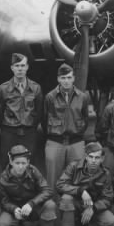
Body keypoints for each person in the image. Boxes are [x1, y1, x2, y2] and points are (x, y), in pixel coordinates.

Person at [56, 142, 114, 226]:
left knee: (111, 222)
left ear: (102, 159)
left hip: (93, 206)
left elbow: (108, 198)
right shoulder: (74, 166)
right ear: (85, 156)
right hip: (75, 203)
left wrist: (93, 208)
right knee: (66, 199)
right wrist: (80, 191)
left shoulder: (106, 173)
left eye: (97, 157)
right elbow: (60, 185)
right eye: (91, 157)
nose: (93, 161)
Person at [0, 145, 57, 226]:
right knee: (3, 224)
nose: (20, 166)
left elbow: (47, 190)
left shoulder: (34, 171)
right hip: (15, 210)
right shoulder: (3, 178)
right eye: (17, 163)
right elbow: (3, 202)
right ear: (11, 162)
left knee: (50, 205)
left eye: (23, 163)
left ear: (28, 162)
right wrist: (14, 209)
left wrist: (31, 203)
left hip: (32, 207)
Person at [42, 63, 89, 191]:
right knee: (53, 179)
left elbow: (85, 119)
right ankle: (52, 208)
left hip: (76, 142)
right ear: (58, 79)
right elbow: (44, 120)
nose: (66, 81)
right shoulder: (50, 97)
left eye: (69, 77)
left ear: (73, 78)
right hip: (55, 142)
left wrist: (77, 131)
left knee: (77, 177)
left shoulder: (83, 97)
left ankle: (73, 208)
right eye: (63, 78)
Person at [0, 53, 43, 167]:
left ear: (27, 67)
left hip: (28, 133)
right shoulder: (3, 88)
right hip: (9, 133)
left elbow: (39, 112)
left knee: (29, 164)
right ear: (12, 68)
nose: (20, 69)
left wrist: (31, 126)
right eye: (17, 66)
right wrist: (7, 128)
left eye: (22, 65)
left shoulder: (36, 88)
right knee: (7, 163)